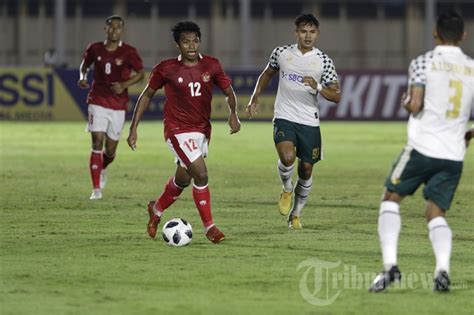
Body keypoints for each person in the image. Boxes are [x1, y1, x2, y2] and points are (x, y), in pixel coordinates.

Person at [369, 11, 474, 293]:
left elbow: (415, 105)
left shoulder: (424, 62)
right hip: (453, 154)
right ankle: (442, 271)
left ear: (435, 33)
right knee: (435, 213)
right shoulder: (472, 67)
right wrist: (468, 133)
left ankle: (390, 268)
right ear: (463, 35)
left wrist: (405, 101)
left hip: (422, 148)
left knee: (390, 199)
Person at [127, 21, 241, 243]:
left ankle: (156, 209)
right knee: (201, 173)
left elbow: (229, 92)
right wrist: (133, 127)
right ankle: (210, 227)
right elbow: (146, 95)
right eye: (186, 41)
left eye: (195, 41)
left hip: (201, 130)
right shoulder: (166, 68)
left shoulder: (212, 65)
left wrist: (233, 113)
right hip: (177, 130)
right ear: (177, 44)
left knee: (183, 179)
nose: (192, 46)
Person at [246, 13, 341, 229]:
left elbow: (336, 96)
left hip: (309, 121)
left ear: (317, 34)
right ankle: (287, 187)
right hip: (284, 115)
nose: (308, 36)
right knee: (287, 157)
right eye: (303, 31)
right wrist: (255, 97)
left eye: (312, 32)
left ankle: (296, 214)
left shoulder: (323, 60)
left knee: (306, 169)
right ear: (296, 32)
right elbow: (267, 73)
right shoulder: (281, 53)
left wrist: (317, 86)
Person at [78, 15, 145, 200]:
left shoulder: (129, 52)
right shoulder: (95, 48)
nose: (115, 30)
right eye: (111, 27)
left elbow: (141, 74)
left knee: (111, 150)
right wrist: (82, 77)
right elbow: (84, 65)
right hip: (97, 100)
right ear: (105, 29)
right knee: (97, 142)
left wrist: (124, 85)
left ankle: (103, 168)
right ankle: (96, 190)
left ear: (122, 30)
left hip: (118, 104)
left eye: (118, 27)